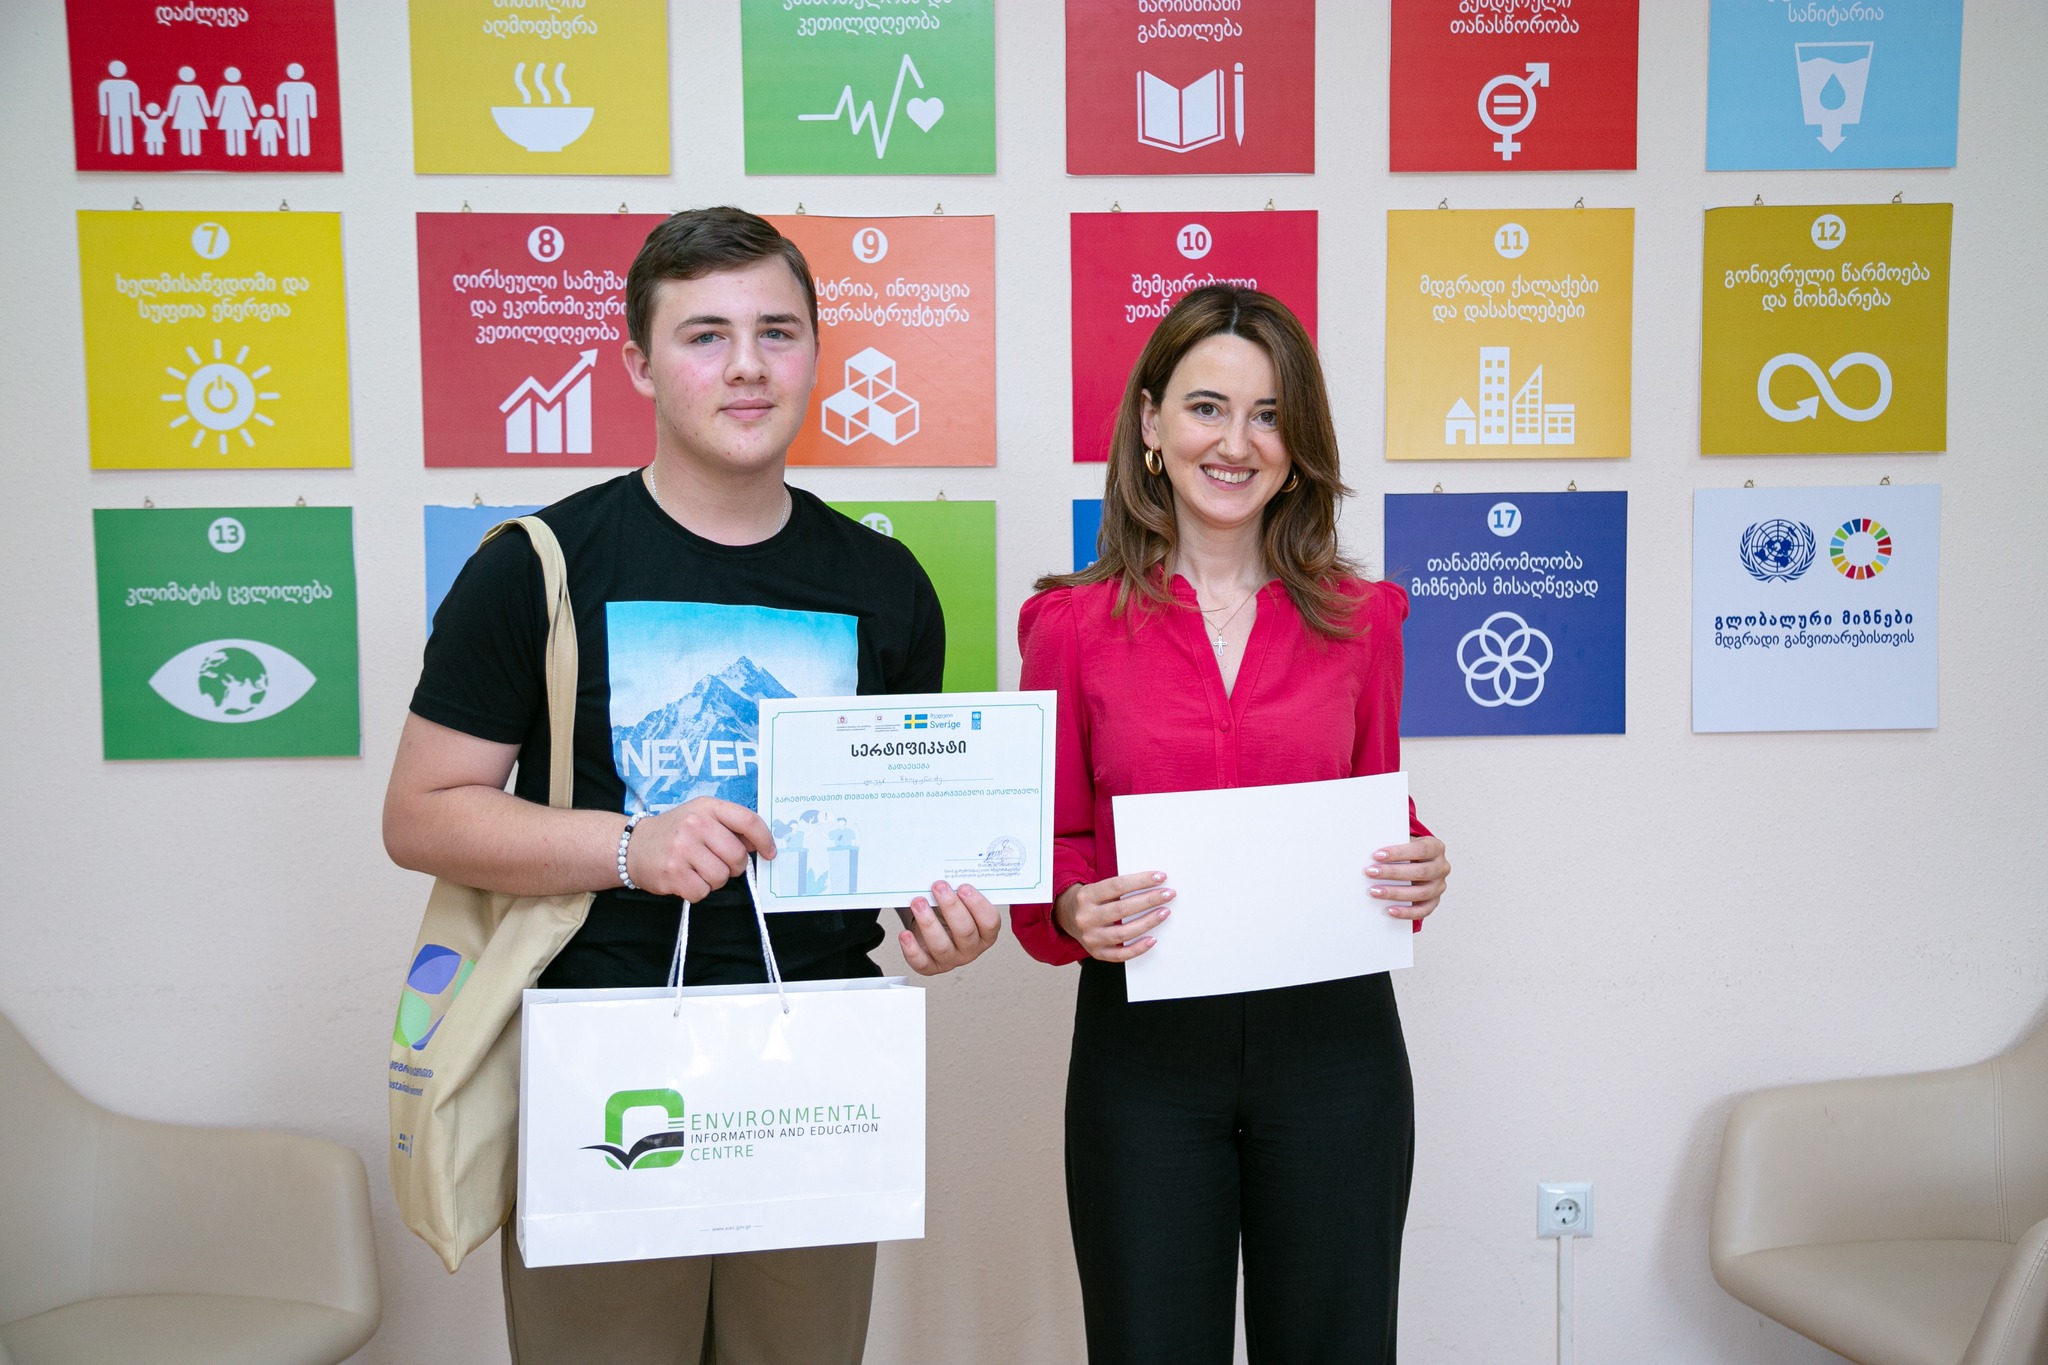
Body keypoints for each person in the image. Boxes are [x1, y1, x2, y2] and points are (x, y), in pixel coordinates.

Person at [384, 207, 1003, 1365]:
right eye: (705, 335)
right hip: (603, 1064)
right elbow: (420, 813)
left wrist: (944, 919)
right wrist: (631, 848)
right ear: (638, 363)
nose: (746, 365)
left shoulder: (885, 582)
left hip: (818, 1071)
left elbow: (890, 839)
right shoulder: (537, 566)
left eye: (776, 332)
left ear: (814, 353)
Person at [1015, 285, 1451, 1364]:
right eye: (1206, 408)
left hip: (1335, 1048)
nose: (1235, 442)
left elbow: (1376, 806)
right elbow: (1043, 851)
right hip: (1144, 1059)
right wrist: (1069, 904)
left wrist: (1419, 864)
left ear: (1297, 449)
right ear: (1151, 424)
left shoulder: (1362, 622)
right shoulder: (1069, 627)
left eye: (1267, 416)